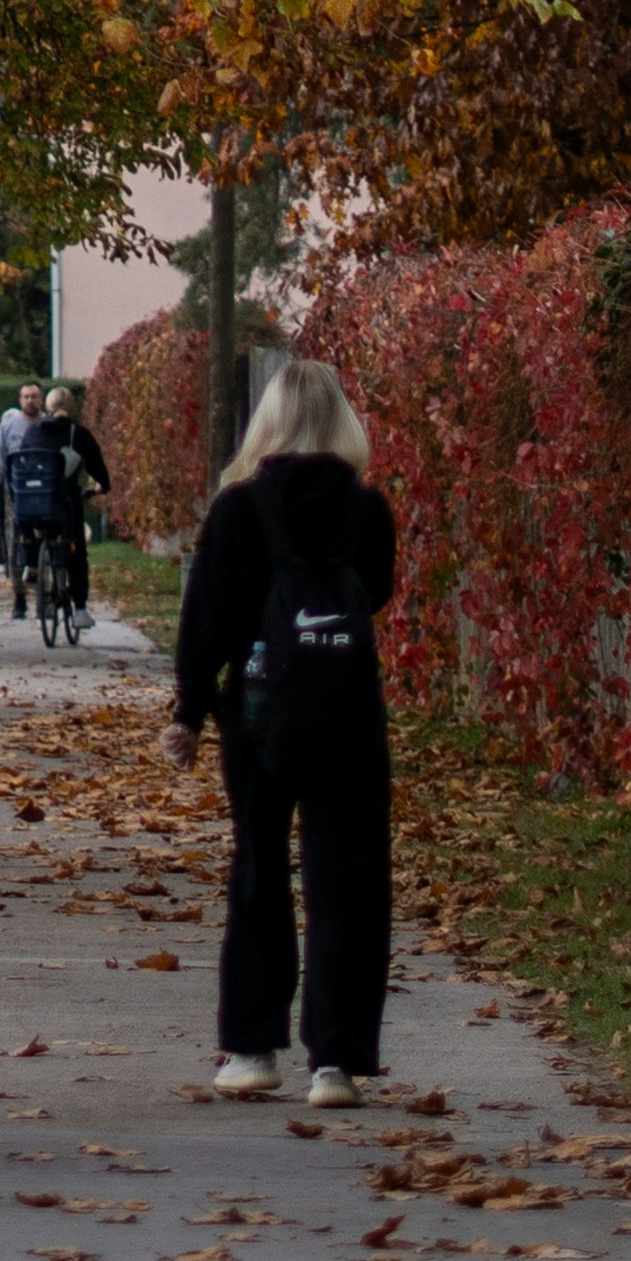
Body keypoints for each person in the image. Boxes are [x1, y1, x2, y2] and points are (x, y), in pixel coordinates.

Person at [163, 356, 397, 1108]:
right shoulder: (369, 512)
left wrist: (188, 714)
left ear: (267, 418)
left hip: (258, 720)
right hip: (347, 716)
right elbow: (377, 596)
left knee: (260, 871)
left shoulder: (237, 510)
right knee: (348, 882)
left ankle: (252, 1049)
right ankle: (336, 1063)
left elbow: (209, 619)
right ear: (342, 421)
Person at [7, 384, 111, 640]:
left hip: (33, 502)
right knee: (76, 550)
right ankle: (80, 608)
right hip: (64, 505)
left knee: (30, 526)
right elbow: (99, 469)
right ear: (72, 407)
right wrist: (100, 486)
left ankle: (31, 562)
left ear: (47, 407)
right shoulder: (79, 434)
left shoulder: (32, 431)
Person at [0, 379, 39, 608]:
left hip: (42, 489)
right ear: (20, 399)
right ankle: (19, 595)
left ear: (40, 399)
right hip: (14, 491)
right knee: (15, 539)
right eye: (26, 396)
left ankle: (46, 588)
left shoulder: (47, 424)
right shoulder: (8, 426)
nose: (30, 401)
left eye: (34, 396)